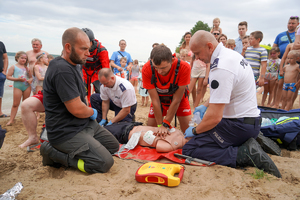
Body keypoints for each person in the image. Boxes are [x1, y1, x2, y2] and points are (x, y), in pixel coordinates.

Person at [183, 30, 281, 178]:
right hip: (250, 120)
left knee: (190, 147)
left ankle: (244, 153)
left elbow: (215, 117)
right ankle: (249, 138)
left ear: (209, 46)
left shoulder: (220, 67)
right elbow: (225, 91)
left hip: (238, 124)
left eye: (197, 53)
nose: (197, 58)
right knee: (205, 134)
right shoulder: (231, 55)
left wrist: (196, 131)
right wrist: (205, 105)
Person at [40, 27, 119, 173]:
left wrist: (89, 115)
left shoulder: (76, 64)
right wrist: (92, 111)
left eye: (89, 49)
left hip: (83, 124)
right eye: (84, 49)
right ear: (68, 47)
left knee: (113, 146)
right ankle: (52, 152)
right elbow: (76, 109)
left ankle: (86, 141)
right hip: (65, 131)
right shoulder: (61, 69)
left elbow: (82, 97)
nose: (88, 54)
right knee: (103, 163)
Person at [142, 44, 192, 134]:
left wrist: (166, 123)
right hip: (159, 99)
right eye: (156, 68)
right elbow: (155, 100)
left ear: (172, 60)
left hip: (178, 99)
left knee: (188, 132)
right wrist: (160, 125)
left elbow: (177, 99)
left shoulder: (184, 67)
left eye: (163, 68)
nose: (159, 71)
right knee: (151, 131)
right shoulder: (146, 68)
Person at [19, 56, 55, 148]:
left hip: (62, 96)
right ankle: (32, 137)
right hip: (46, 90)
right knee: (25, 105)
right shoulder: (51, 65)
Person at [105, 122, 188, 153]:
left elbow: (159, 147)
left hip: (126, 133)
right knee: (100, 129)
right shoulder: (179, 133)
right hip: (131, 126)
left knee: (99, 132)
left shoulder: (172, 144)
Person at [81, 28, 110, 104]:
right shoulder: (79, 49)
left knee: (99, 91)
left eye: (86, 43)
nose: (84, 45)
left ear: (91, 41)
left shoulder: (102, 50)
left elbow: (106, 68)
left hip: (97, 72)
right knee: (83, 91)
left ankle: (97, 109)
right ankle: (85, 109)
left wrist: (106, 81)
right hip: (84, 71)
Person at [6, 51, 32, 126]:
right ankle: (11, 120)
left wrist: (30, 80)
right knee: (15, 104)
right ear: (17, 58)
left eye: (25, 58)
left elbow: (30, 77)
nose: (23, 60)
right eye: (22, 58)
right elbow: (8, 76)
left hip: (27, 86)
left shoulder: (27, 68)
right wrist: (18, 79)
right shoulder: (13, 67)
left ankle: (25, 119)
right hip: (18, 87)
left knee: (25, 104)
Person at [0, 41, 9, 118]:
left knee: (0, 94)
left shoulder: (1, 44)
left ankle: (0, 112)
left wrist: (5, 71)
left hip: (0, 73)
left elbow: (5, 58)